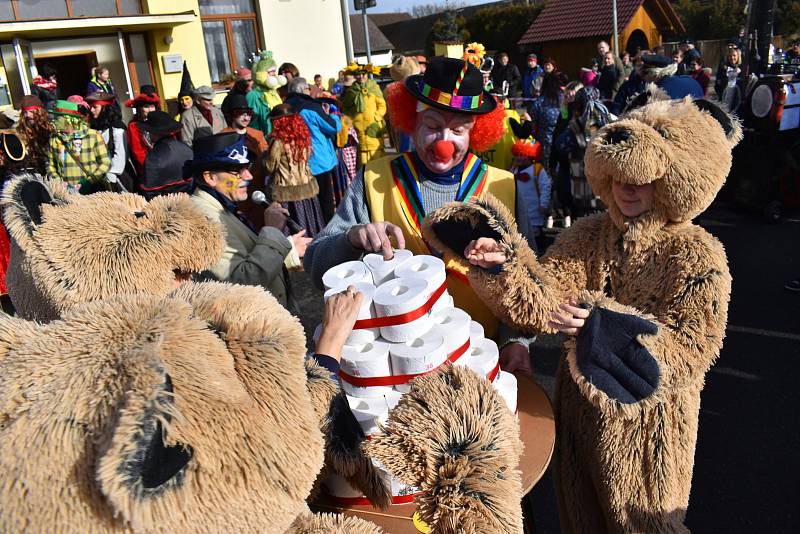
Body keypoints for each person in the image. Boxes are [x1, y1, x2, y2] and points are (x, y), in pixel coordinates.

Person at [304, 56, 532, 374]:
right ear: (413, 121)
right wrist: (351, 238)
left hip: (480, 358)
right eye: (433, 127)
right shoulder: (374, 179)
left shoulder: (504, 186)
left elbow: (529, 280)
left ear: (475, 133)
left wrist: (515, 341)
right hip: (395, 369)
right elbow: (315, 268)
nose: (444, 143)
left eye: (458, 131)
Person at [188, 131, 308, 311]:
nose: (249, 177)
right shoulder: (202, 220)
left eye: (247, 167)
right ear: (210, 178)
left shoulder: (220, 205)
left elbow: (249, 259)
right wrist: (273, 232)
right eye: (237, 171)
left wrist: (287, 251)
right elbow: (243, 280)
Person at [265, 104, 325, 237]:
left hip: (286, 193)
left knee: (291, 231)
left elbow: (270, 166)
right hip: (308, 190)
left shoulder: (278, 142)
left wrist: (264, 156)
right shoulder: (304, 138)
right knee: (311, 226)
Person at [285, 77, 341, 223]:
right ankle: (329, 231)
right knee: (326, 201)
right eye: (308, 89)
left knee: (309, 203)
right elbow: (333, 128)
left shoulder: (285, 107)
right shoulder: (311, 106)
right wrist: (331, 116)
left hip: (296, 160)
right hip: (318, 161)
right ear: (303, 90)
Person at [220, 91, 268, 231]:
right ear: (232, 115)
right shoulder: (222, 137)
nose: (246, 116)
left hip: (257, 187)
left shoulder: (257, 135)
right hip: (236, 188)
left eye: (248, 113)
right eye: (241, 113)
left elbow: (264, 159)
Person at [46, 99, 111, 193]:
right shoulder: (54, 139)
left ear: (68, 119)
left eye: (57, 118)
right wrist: (58, 183)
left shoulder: (93, 135)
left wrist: (89, 182)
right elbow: (50, 165)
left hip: (93, 191)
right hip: (66, 194)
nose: (53, 121)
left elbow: (106, 163)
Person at [136, 110, 193, 199]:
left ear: (152, 132)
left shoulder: (154, 157)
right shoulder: (186, 149)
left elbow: (150, 192)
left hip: (167, 205)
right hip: (191, 200)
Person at [509, 139, 551, 254]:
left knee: (534, 235)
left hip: (534, 211)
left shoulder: (537, 169)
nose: (519, 158)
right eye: (517, 155)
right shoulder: (513, 169)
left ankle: (538, 255)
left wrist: (544, 204)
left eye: (522, 155)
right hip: (518, 209)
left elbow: (545, 187)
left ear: (530, 155)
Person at [341, 63, 386, 166]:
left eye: (363, 74)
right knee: (363, 160)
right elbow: (346, 109)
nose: (360, 77)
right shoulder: (352, 91)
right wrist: (350, 123)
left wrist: (377, 117)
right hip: (359, 128)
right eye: (358, 74)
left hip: (372, 127)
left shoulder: (374, 87)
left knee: (377, 157)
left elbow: (382, 105)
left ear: (367, 74)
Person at [86, 92, 126, 189]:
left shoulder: (117, 127)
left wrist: (109, 173)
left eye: (95, 107)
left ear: (105, 108)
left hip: (117, 178)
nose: (91, 110)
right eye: (91, 107)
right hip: (101, 177)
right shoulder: (96, 128)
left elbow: (120, 155)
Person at [530, 71, 563, 173]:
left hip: (545, 139)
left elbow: (533, 120)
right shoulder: (564, 99)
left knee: (546, 168)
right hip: (562, 138)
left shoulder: (540, 101)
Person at [247, 50, 286, 134]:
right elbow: (251, 123)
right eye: (270, 72)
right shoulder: (253, 95)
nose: (273, 75)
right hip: (265, 139)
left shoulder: (273, 92)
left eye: (274, 71)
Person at [125, 84, 160, 177]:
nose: (149, 110)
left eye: (152, 106)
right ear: (140, 108)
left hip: (166, 164)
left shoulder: (163, 122)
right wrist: (152, 167)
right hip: (148, 169)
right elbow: (138, 152)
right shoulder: (134, 126)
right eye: (146, 107)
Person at [14, 95, 53, 175]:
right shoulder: (18, 131)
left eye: (31, 112)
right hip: (31, 171)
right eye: (25, 112)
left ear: (40, 112)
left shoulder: (50, 128)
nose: (27, 115)